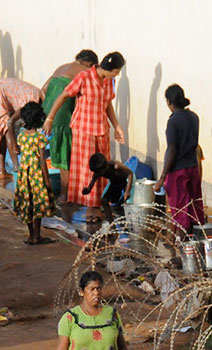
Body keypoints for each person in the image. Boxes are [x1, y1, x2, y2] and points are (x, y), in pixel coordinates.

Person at [43, 52, 126, 221]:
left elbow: (107, 104)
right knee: (88, 170)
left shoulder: (110, 82)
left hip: (101, 129)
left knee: (102, 168)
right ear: (110, 69)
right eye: (116, 72)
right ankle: (90, 208)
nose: (117, 75)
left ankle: (97, 204)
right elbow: (64, 95)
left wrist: (117, 126)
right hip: (84, 130)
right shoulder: (84, 77)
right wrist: (50, 118)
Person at [41, 50, 99, 203]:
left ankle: (47, 190)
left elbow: (42, 91)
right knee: (65, 156)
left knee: (55, 154)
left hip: (47, 114)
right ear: (90, 64)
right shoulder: (85, 72)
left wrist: (48, 113)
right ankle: (64, 195)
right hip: (62, 116)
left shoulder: (62, 67)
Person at [154, 84, 205, 236]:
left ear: (169, 102)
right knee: (194, 207)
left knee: (181, 211)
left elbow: (172, 150)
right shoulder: (194, 117)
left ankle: (183, 251)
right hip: (193, 168)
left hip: (178, 170)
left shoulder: (173, 121)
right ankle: (195, 245)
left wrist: (162, 177)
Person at [12, 102, 55, 246]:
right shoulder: (39, 138)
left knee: (27, 205)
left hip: (24, 175)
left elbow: (17, 150)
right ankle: (37, 235)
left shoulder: (21, 137)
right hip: (37, 176)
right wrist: (47, 180)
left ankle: (31, 235)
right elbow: (43, 161)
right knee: (37, 205)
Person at [82, 153, 132, 227]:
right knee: (104, 200)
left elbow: (130, 174)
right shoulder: (98, 171)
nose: (97, 174)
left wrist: (127, 191)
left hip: (127, 181)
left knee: (127, 201)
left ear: (105, 167)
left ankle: (130, 224)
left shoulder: (116, 166)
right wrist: (87, 189)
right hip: (115, 183)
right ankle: (112, 225)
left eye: (98, 172)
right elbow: (92, 183)